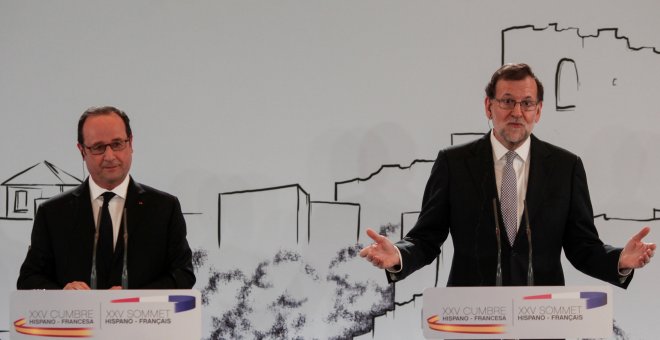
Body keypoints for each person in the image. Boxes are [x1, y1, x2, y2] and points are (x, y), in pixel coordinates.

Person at [360, 63, 655, 288]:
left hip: (543, 320)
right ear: (489, 106)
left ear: (538, 111)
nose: (517, 111)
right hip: (471, 321)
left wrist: (619, 261)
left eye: (527, 103)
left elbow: (582, 246)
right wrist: (398, 257)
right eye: (507, 101)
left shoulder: (566, 167)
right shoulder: (454, 163)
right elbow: (426, 238)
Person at [17, 106, 195, 290]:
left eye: (117, 144)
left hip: (140, 318)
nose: (109, 156)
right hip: (77, 318)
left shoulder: (164, 208)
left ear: (131, 143)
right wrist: (63, 294)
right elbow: (29, 280)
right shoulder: (53, 213)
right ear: (82, 150)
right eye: (98, 147)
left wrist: (135, 298)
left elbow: (183, 275)